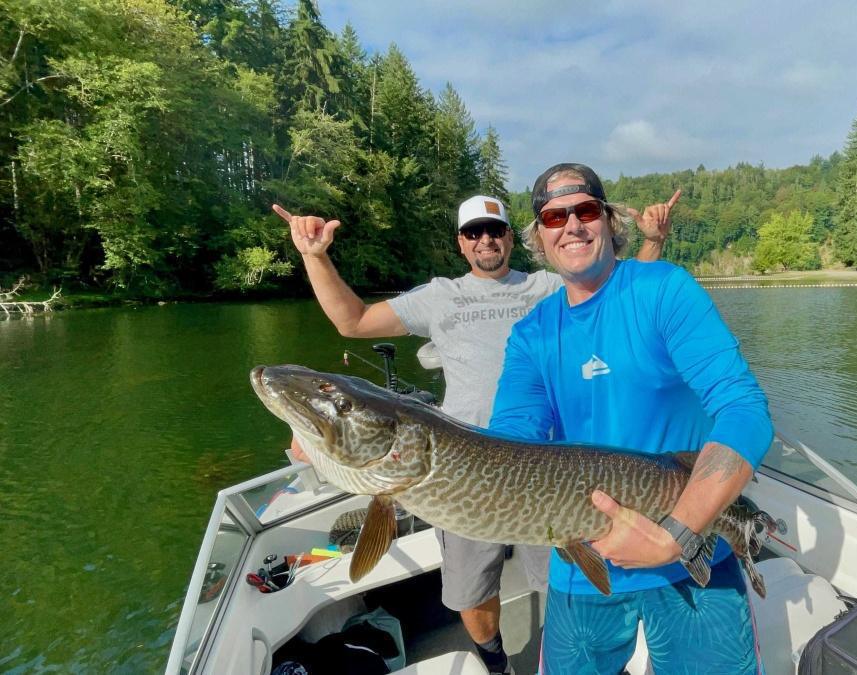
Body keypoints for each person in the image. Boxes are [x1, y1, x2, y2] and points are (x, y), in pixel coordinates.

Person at [271, 192, 673, 675]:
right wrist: (314, 256)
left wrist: (653, 241)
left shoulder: (548, 286)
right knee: (471, 594)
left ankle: (570, 655)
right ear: (461, 243)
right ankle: (497, 664)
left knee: (563, 585)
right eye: (473, 232)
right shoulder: (439, 296)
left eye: (495, 230)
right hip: (452, 471)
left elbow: (622, 300)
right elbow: (352, 321)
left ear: (511, 238)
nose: (486, 239)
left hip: (549, 471)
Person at [488, 163, 773, 674]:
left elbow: (743, 407)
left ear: (609, 221)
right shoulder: (531, 335)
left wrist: (676, 534)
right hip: (581, 566)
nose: (572, 226)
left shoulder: (664, 289)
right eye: (554, 217)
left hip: (691, 554)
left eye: (585, 210)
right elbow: (508, 445)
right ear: (540, 238)